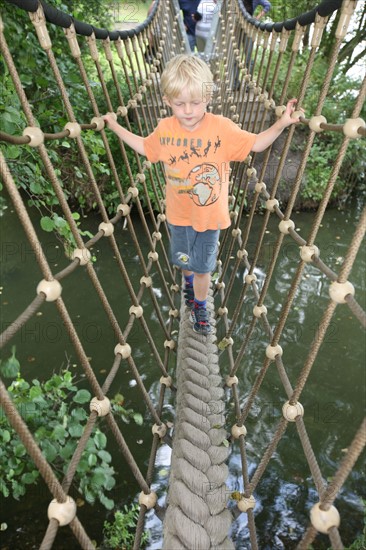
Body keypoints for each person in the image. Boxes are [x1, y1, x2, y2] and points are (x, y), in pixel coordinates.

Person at [103, 54, 303, 335]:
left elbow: (257, 144)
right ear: (166, 100)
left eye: (195, 103)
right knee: (184, 262)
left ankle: (199, 305)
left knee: (203, 269)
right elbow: (145, 147)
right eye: (179, 103)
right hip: (178, 215)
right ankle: (188, 286)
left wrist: (281, 123)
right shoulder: (165, 129)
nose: (187, 110)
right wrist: (115, 126)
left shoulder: (221, 128)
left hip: (210, 216)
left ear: (208, 98)